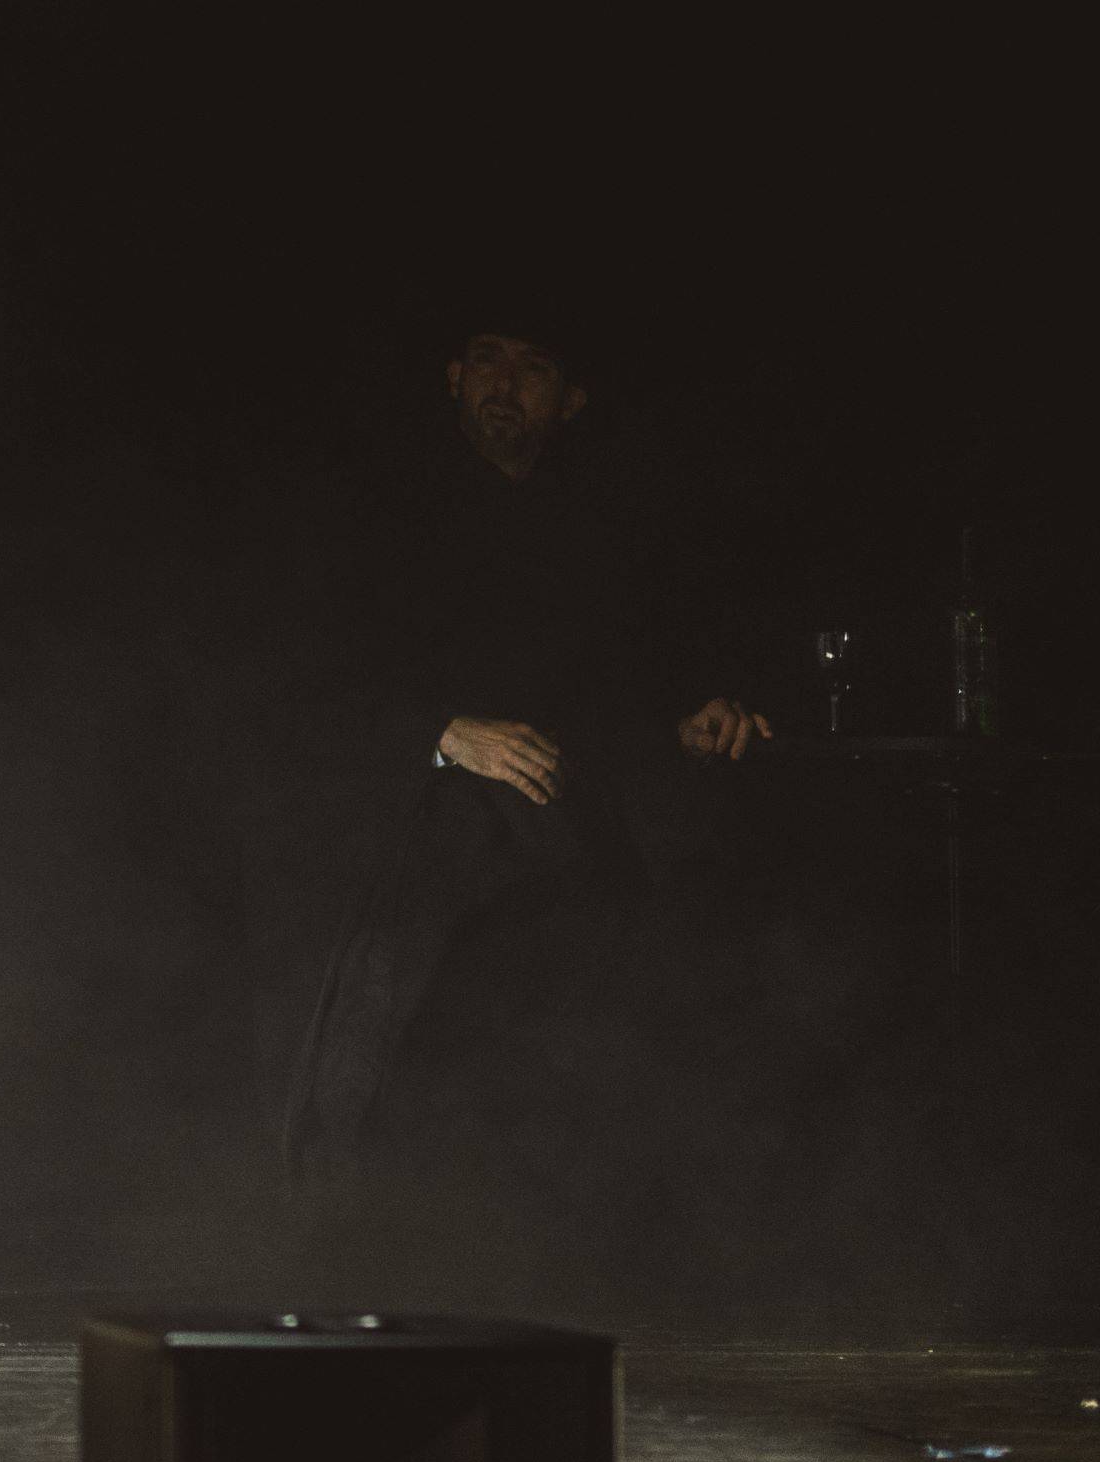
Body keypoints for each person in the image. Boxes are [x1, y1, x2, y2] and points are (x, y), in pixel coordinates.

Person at [249, 312, 770, 1183]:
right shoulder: (376, 510)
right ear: (454, 377)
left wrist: (687, 723)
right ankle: (334, 1184)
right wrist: (442, 734)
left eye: (533, 369)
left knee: (688, 854)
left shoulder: (591, 526)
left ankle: (670, 1174)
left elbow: (612, 693)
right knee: (432, 873)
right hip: (390, 809)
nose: (504, 383)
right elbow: (297, 680)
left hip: (541, 822)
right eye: (487, 360)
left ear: (570, 401)